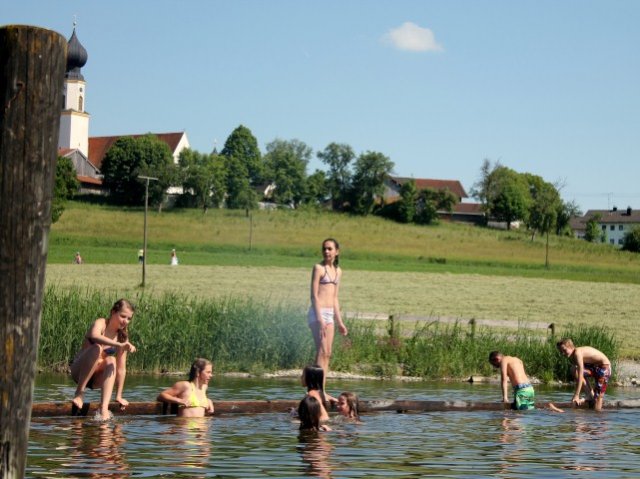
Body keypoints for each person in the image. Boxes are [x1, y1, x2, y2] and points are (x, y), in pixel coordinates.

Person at [70, 299, 137, 420]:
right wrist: (119, 345)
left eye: (129, 319)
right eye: (123, 316)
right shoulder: (101, 323)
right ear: (112, 312)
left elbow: (121, 369)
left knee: (111, 360)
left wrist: (119, 395)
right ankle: (79, 393)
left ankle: (104, 408)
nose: (125, 321)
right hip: (80, 373)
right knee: (97, 348)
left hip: (97, 379)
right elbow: (94, 336)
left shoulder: (122, 337)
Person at [308, 238, 348, 388]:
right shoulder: (318, 268)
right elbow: (314, 296)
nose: (326, 251)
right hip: (317, 313)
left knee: (328, 353)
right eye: (324, 248)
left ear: (337, 252)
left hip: (330, 314)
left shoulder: (338, 271)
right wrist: (319, 318)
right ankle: (315, 389)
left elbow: (335, 298)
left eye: (330, 249)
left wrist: (340, 322)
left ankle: (322, 389)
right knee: (322, 350)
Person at [556, 338, 612, 411]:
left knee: (598, 397)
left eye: (564, 350)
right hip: (595, 367)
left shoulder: (577, 353)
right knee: (574, 369)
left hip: (604, 368)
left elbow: (580, 375)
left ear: (571, 347)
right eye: (561, 351)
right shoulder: (572, 356)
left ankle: (597, 416)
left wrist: (576, 395)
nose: (562, 353)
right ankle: (590, 395)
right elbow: (579, 373)